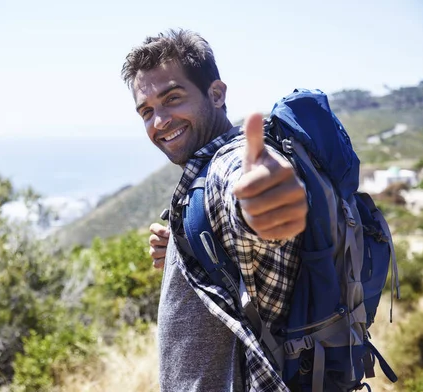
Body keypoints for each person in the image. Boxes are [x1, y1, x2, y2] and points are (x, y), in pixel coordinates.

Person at [121, 29, 308, 391]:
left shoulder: (228, 164)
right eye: (146, 111)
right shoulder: (200, 174)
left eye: (172, 98)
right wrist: (182, 246)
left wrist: (266, 206)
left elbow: (239, 193)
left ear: (216, 94)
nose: (159, 121)